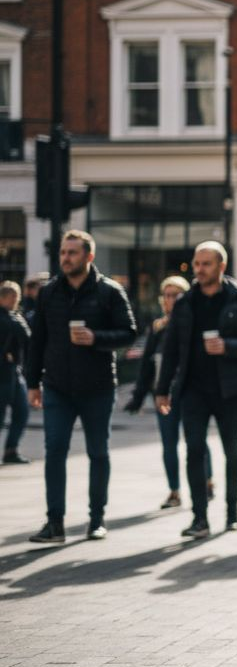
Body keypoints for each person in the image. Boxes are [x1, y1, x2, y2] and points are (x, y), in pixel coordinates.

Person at [25, 230, 137, 544]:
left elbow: (129, 333)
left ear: (89, 256)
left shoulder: (109, 292)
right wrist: (33, 382)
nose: (66, 258)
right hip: (58, 386)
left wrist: (96, 338)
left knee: (98, 453)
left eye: (72, 253)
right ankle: (55, 523)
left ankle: (97, 519)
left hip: (98, 387)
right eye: (63, 252)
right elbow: (38, 341)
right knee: (54, 452)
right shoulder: (49, 293)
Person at [154, 243, 237, 538]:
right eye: (197, 264)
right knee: (194, 451)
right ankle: (199, 518)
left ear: (221, 266)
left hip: (230, 388)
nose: (199, 269)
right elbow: (172, 350)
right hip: (193, 388)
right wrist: (162, 389)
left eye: (206, 264)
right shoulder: (185, 302)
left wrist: (228, 347)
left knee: (232, 450)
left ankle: (232, 512)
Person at [123, 276, 214, 508]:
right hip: (163, 394)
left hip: (191, 391)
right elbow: (147, 365)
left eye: (176, 295)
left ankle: (207, 480)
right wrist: (138, 397)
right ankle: (174, 491)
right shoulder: (157, 328)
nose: (171, 299)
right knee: (169, 443)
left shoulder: (194, 322)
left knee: (197, 440)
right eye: (167, 295)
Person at [1, 281, 31, 464]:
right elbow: (24, 335)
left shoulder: (14, 317)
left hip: (14, 371)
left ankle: (11, 450)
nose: (16, 300)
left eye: (17, 297)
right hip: (3, 372)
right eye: (13, 297)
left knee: (22, 411)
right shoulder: (9, 319)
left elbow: (27, 339)